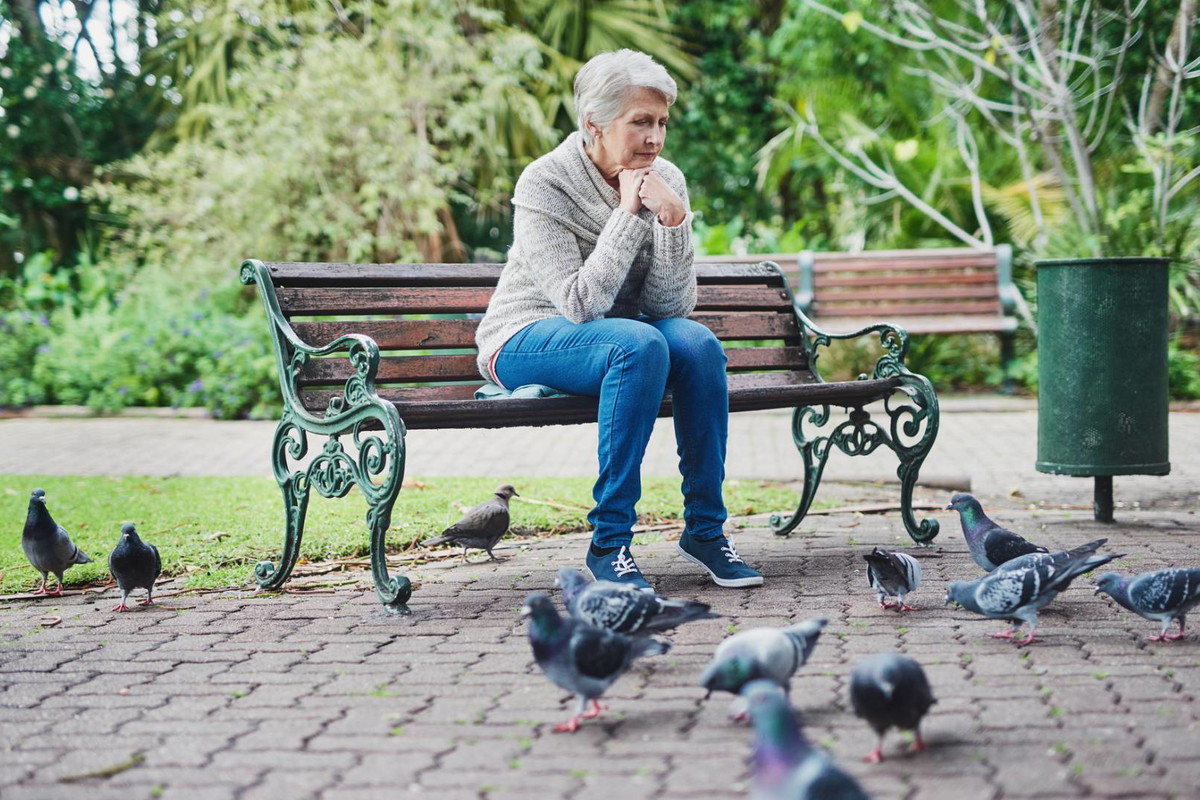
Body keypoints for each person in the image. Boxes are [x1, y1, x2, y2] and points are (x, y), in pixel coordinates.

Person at [474, 49, 762, 590]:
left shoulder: (665, 178)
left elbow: (671, 309)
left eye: (662, 123)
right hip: (525, 336)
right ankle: (610, 542)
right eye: (641, 122)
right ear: (594, 124)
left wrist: (674, 221)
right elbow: (579, 303)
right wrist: (628, 215)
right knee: (639, 345)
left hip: (620, 336)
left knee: (696, 344)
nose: (655, 138)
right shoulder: (545, 182)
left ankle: (705, 529)